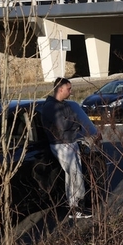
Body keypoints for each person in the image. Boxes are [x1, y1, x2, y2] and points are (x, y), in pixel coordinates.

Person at [40, 77, 90, 219]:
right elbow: (63, 126)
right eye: (69, 88)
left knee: (72, 176)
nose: (71, 91)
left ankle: (74, 206)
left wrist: (73, 122)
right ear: (60, 89)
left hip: (69, 142)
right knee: (75, 176)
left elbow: (74, 120)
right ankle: (78, 208)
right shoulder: (51, 107)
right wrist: (74, 122)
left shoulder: (64, 105)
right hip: (61, 144)